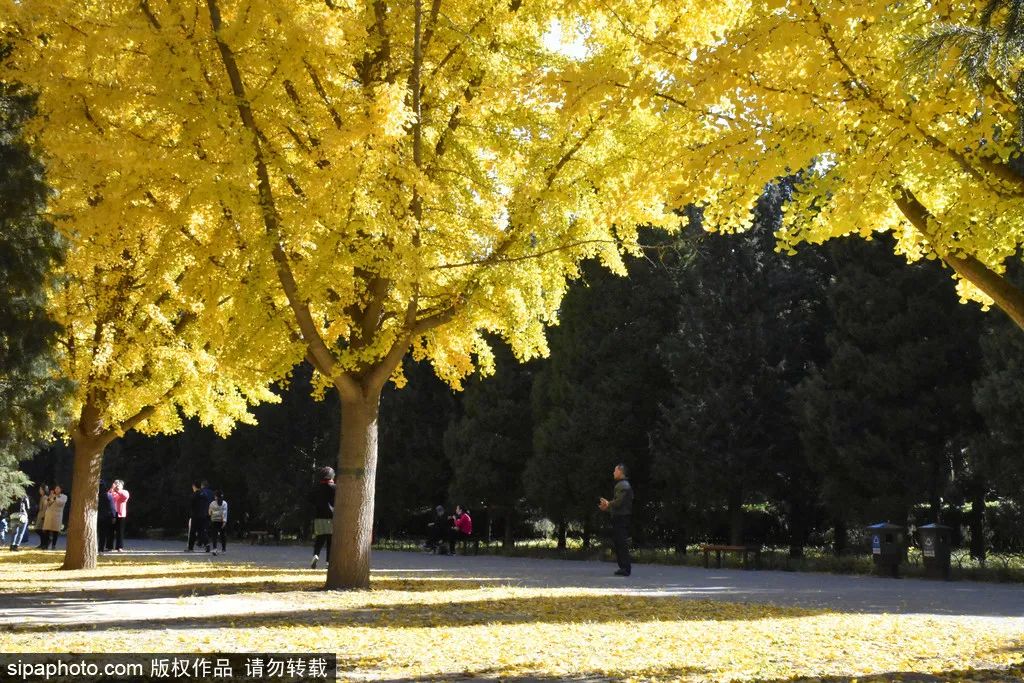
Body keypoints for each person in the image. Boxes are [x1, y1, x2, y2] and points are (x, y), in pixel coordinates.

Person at [598, 463, 633, 576]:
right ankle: (623, 567)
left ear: (620, 472)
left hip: (621, 518)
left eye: (615, 470)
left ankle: (625, 568)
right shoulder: (622, 485)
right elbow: (619, 505)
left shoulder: (622, 485)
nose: (613, 472)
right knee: (619, 542)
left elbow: (619, 502)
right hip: (621, 516)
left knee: (621, 542)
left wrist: (608, 504)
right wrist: (607, 507)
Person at [310, 466, 335, 569]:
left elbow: (310, 500)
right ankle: (328, 562)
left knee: (319, 539)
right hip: (332, 517)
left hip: (319, 516)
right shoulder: (335, 488)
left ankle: (316, 555)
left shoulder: (316, 488)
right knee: (330, 540)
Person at [187, 481, 212, 552]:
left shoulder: (194, 495)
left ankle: (190, 548)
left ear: (194, 486)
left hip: (195, 515)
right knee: (202, 531)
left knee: (193, 531)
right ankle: (207, 545)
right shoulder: (204, 495)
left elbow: (191, 505)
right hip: (203, 515)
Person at [41, 485, 67, 550]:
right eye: (56, 488)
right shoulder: (51, 495)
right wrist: (49, 497)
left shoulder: (64, 496)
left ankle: (53, 545)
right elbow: (45, 504)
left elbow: (60, 503)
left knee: (55, 531)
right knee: (46, 530)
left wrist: (55, 497)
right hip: (49, 515)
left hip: (57, 516)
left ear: (61, 489)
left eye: (58, 488)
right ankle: (46, 545)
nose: (56, 490)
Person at [109, 479, 129, 552]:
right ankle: (109, 547)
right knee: (110, 531)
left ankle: (119, 547)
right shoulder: (112, 492)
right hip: (112, 514)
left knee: (120, 532)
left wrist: (117, 490)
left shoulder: (125, 492)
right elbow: (108, 497)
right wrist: (112, 489)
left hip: (121, 514)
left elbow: (125, 497)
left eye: (118, 484)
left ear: (122, 485)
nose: (117, 485)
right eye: (115, 484)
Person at [97, 479, 116, 553]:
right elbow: (112, 507)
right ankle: (100, 549)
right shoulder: (109, 496)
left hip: (96, 516)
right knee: (103, 534)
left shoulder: (94, 496)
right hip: (106, 517)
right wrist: (114, 516)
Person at [209, 490, 228, 555]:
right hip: (222, 521)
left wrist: (214, 513)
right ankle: (224, 549)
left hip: (214, 521)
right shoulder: (224, 503)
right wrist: (224, 521)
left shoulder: (212, 503)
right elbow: (224, 513)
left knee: (214, 535)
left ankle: (215, 549)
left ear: (216, 497)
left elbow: (209, 513)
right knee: (223, 535)